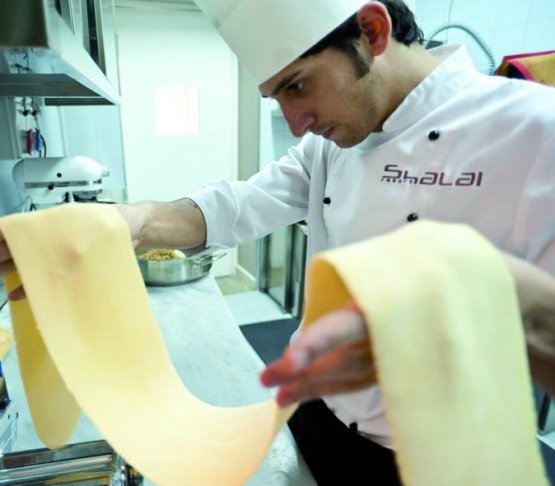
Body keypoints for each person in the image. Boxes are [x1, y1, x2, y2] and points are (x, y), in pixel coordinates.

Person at [1, 0, 555, 483]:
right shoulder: (329, 146)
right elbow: (236, 206)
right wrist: (131, 219)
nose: (295, 123)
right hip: (312, 416)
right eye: (276, 98)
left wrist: (483, 293)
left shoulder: (533, 131)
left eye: (298, 85)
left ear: (372, 31)